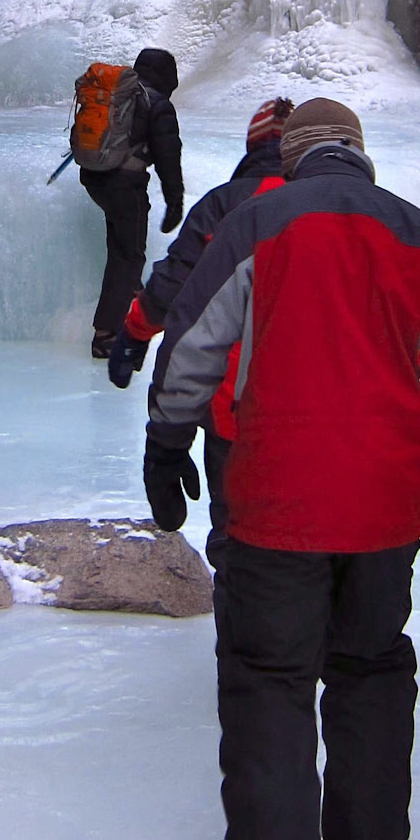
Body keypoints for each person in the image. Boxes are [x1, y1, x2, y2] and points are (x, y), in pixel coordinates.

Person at [142, 97, 420, 840]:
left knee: (271, 684)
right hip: (386, 504)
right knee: (371, 664)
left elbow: (194, 342)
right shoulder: (414, 230)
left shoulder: (258, 223)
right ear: (358, 153)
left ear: (295, 156)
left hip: (277, 499)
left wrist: (167, 442)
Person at [108, 97, 295, 572]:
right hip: (326, 416)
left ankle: (240, 602)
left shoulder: (226, 204)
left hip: (235, 410)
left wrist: (134, 333)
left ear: (252, 145)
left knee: (239, 540)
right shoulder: (338, 207)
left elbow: (175, 284)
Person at [82, 47, 184, 360]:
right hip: (126, 185)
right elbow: (168, 157)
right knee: (129, 256)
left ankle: (132, 295)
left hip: (96, 179)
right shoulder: (158, 104)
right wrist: (175, 201)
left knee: (121, 248)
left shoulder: (121, 96)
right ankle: (107, 335)